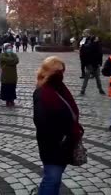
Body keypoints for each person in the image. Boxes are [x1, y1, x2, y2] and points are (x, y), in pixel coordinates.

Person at [33, 56, 83, 195]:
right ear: (49, 72)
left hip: (65, 142)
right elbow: (41, 122)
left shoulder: (59, 87)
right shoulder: (43, 92)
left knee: (55, 177)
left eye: (62, 71)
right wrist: (61, 137)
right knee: (52, 178)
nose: (61, 74)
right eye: (58, 71)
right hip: (52, 144)